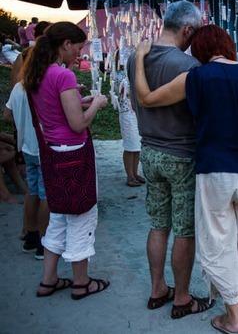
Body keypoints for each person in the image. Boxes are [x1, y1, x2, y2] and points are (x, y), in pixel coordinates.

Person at [134, 24, 238, 333]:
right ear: (228, 45)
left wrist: (142, 57)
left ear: (198, 51)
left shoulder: (194, 78)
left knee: (219, 242)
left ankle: (232, 317)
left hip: (214, 171)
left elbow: (146, 98)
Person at [127, 1, 212, 318]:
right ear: (187, 29)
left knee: (158, 225)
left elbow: (138, 104)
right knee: (184, 229)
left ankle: (157, 289)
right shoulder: (188, 66)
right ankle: (183, 297)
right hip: (182, 152)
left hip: (149, 149)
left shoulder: (136, 57)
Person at [22, 21, 110, 298]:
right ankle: (81, 282)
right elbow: (77, 123)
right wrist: (95, 104)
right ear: (66, 44)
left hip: (53, 151)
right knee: (82, 217)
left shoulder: (37, 74)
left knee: (59, 216)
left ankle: (48, 279)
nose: (80, 54)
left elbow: (56, 110)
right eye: (79, 47)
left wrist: (81, 102)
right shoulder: (63, 76)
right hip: (73, 153)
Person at [5, 78, 50, 259]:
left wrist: (21, 120)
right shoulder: (42, 86)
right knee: (47, 196)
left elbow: (6, 115)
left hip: (26, 148)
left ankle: (31, 236)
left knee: (32, 192)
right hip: (42, 147)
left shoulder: (18, 86)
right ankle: (43, 242)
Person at [114, 49, 144, 187]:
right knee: (130, 145)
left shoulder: (133, 74)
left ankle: (135, 172)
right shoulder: (119, 75)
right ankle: (129, 175)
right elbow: (119, 92)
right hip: (126, 113)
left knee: (136, 145)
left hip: (136, 113)